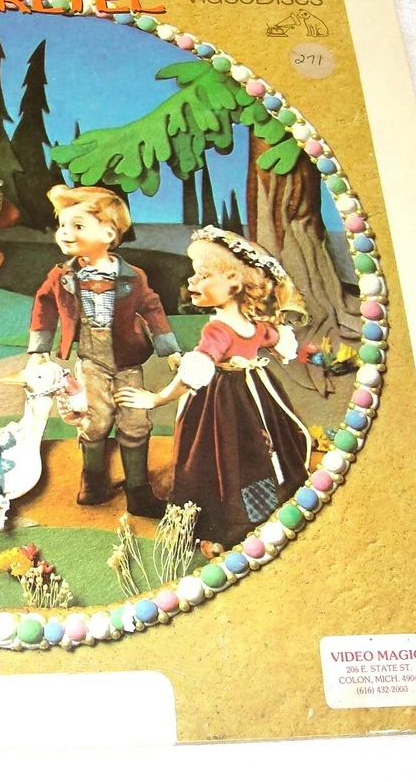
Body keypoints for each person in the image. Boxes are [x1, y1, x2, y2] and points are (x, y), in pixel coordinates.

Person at [115, 226, 313, 556]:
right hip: (255, 393)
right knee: (255, 452)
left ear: (234, 283)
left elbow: (196, 372)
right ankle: (264, 505)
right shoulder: (257, 326)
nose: (192, 281)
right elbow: (278, 344)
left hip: (221, 401)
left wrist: (157, 398)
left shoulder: (218, 330)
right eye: (195, 273)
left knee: (217, 456)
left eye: (203, 275)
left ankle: (224, 524)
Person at [27, 185, 180, 516]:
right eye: (62, 225)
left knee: (135, 422)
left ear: (109, 234)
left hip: (127, 362)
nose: (65, 232)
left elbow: (152, 308)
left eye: (77, 225)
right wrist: (39, 349)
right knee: (95, 421)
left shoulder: (133, 276)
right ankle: (93, 483)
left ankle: (138, 492)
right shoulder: (62, 276)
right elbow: (44, 305)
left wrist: (169, 349)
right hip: (91, 362)